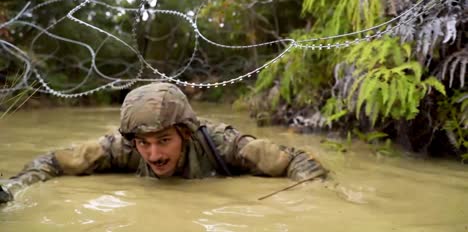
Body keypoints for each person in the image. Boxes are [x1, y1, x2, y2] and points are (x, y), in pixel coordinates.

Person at [0, 83, 327, 203]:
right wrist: (13, 188)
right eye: (143, 143)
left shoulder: (223, 144)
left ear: (185, 134)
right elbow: (53, 162)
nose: (153, 154)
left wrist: (317, 198)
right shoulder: (124, 147)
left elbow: (298, 161)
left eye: (164, 140)